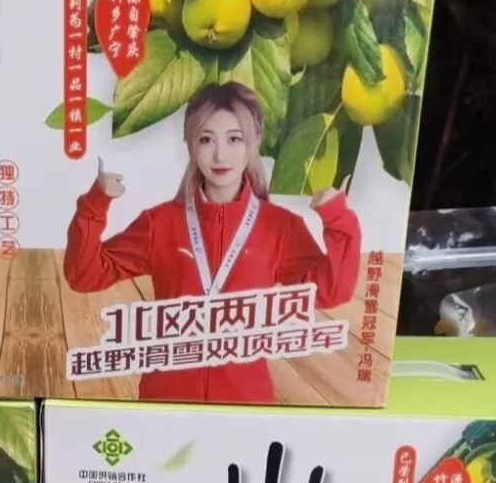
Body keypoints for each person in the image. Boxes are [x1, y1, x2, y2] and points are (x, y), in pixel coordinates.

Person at [63, 80, 361, 404]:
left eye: (234, 139)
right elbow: (85, 274)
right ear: (191, 143)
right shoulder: (159, 224)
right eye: (206, 139)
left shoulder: (280, 228)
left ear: (254, 141)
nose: (220, 155)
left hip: (245, 406)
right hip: (166, 404)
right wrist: (95, 204)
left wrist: (337, 219)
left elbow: (331, 292)